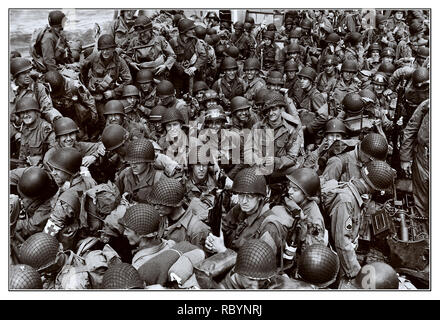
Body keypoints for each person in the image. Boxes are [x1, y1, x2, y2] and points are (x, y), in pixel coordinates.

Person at [326, 160, 395, 279]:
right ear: (374, 188)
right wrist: (356, 273)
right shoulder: (347, 201)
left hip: (345, 256)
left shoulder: (356, 193)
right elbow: (342, 242)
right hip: (339, 260)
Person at [80, 34, 132, 127]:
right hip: (96, 95)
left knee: (118, 115)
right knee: (102, 119)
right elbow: (82, 69)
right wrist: (87, 84)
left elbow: (128, 80)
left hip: (112, 95)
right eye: (103, 49)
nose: (105, 52)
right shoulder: (93, 58)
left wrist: (113, 92)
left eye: (108, 49)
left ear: (113, 49)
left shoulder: (119, 61)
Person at [250, 91, 304, 176]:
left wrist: (276, 161)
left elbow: (292, 157)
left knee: (297, 169)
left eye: (274, 109)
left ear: (281, 109)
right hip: (261, 170)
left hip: (280, 171)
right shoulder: (257, 127)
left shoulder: (291, 129)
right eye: (268, 110)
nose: (271, 113)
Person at [119, 203, 176, 269]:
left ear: (141, 234)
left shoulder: (140, 264)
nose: (124, 233)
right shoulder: (170, 244)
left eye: (127, 230)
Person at [44, 70, 98, 140]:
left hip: (74, 113)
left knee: (80, 135)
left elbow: (89, 101)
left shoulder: (74, 86)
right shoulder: (45, 86)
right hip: (57, 114)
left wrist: (93, 119)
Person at [400, 99, 429, 224]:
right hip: (424, 158)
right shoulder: (427, 105)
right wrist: (405, 158)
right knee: (421, 199)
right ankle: (422, 230)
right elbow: (410, 130)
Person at [10, 166, 59, 240]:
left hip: (25, 218)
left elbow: (33, 226)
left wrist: (13, 225)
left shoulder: (50, 200)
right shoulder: (26, 173)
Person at [10, 58, 62, 124]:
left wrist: (55, 118)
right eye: (23, 73)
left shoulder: (38, 88)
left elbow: (48, 109)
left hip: (34, 124)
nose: (27, 76)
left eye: (28, 72)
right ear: (16, 76)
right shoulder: (10, 91)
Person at [322, 132, 388, 182]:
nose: (372, 163)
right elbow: (326, 192)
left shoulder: (366, 161)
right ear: (362, 150)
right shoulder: (337, 162)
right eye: (370, 159)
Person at [125, 15, 176, 80]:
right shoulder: (134, 41)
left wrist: (165, 66)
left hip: (159, 73)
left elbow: (172, 55)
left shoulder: (159, 39)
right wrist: (131, 63)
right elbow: (127, 56)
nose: (142, 35)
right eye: (139, 33)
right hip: (142, 75)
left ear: (150, 30)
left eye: (144, 32)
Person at [115, 139, 163, 203]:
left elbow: (164, 209)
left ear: (148, 162)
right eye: (131, 162)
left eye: (138, 162)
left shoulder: (159, 179)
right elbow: (115, 197)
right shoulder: (125, 174)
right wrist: (121, 201)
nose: (133, 166)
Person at [14, 97, 56, 167]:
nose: (25, 115)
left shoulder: (45, 128)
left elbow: (54, 152)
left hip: (43, 168)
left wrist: (40, 159)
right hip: (28, 167)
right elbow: (22, 155)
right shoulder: (24, 129)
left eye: (28, 111)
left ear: (36, 112)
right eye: (22, 113)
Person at [169, 18, 208, 96]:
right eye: (191, 29)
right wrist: (182, 69)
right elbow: (170, 57)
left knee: (192, 94)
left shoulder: (195, 41)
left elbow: (203, 55)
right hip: (178, 75)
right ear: (184, 31)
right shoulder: (173, 42)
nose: (193, 31)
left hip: (192, 74)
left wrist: (195, 67)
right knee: (178, 95)